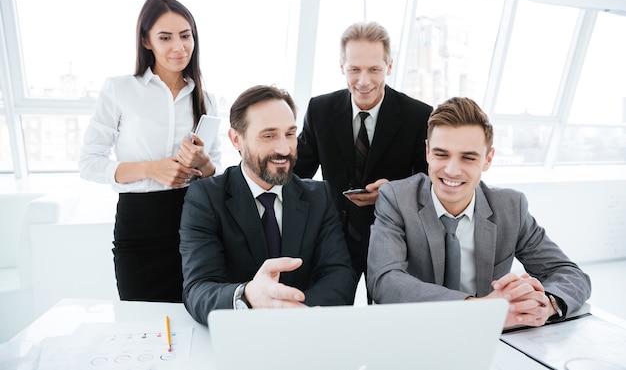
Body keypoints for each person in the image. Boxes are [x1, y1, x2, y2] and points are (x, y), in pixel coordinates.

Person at [367, 97, 591, 328]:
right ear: (427, 152)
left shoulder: (511, 207)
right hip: (417, 329)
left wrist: (545, 304)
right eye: (441, 154)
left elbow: (570, 274)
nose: (452, 170)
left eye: (468, 157)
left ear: (488, 159)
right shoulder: (396, 198)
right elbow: (384, 281)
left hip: (490, 340)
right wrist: (480, 309)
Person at [79, 0, 221, 303]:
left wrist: (203, 164)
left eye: (186, 36)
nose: (179, 46)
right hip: (139, 225)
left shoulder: (206, 100)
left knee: (194, 318)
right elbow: (90, 163)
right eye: (165, 37)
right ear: (146, 41)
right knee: (141, 323)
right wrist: (152, 169)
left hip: (195, 223)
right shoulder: (119, 89)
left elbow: (216, 173)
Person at [179, 85, 357, 325]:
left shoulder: (319, 196)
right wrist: (248, 296)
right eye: (268, 135)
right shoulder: (206, 198)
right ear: (236, 139)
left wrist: (292, 312)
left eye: (290, 134)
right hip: (239, 337)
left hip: (304, 333)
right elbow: (198, 289)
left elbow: (339, 276)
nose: (284, 149)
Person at [294, 21, 432, 289]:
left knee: (387, 318)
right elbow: (297, 173)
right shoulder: (320, 109)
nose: (364, 81)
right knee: (326, 312)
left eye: (374, 69)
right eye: (354, 69)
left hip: (394, 236)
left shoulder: (418, 115)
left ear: (389, 67)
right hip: (332, 236)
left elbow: (431, 182)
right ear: (342, 67)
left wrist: (393, 192)